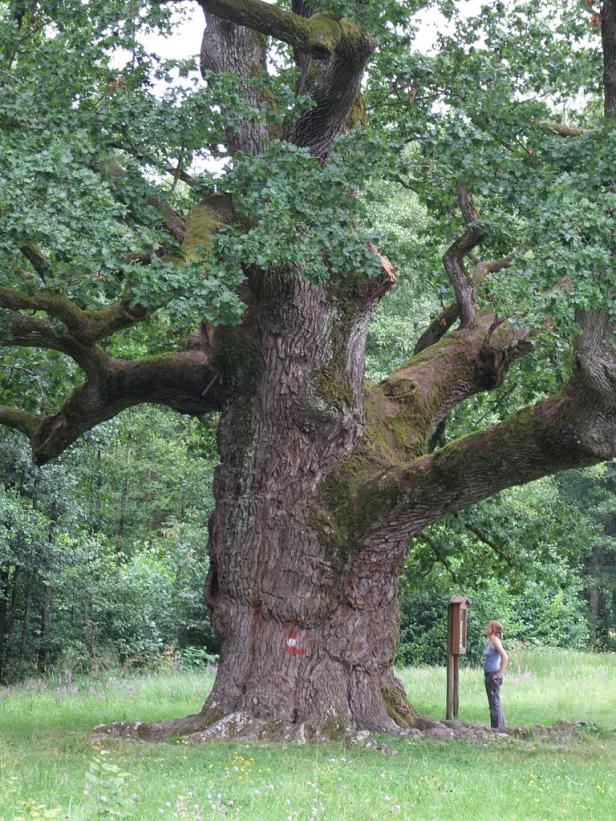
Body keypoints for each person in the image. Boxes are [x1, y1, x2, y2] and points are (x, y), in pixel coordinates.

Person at [483, 619, 508, 729]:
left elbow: (505, 657)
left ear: (492, 629)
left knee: (494, 703)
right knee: (494, 701)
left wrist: (498, 674)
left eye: (488, 625)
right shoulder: (492, 641)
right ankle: (501, 727)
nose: (486, 627)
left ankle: (496, 729)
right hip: (489, 674)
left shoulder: (495, 641)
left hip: (493, 675)